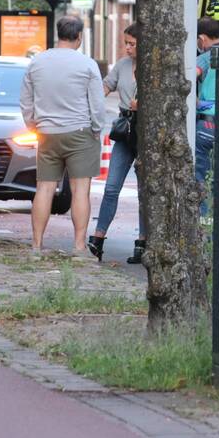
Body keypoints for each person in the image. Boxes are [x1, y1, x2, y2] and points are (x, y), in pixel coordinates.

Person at [19, 15, 105, 256]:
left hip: (47, 133)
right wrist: (96, 128)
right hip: (80, 132)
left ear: (58, 35)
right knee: (80, 190)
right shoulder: (87, 64)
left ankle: (37, 245)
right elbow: (97, 104)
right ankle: (79, 247)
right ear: (79, 37)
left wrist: (32, 125)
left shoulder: (37, 62)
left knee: (44, 188)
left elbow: (26, 99)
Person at [88, 23, 143, 263]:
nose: (127, 48)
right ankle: (98, 239)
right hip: (125, 128)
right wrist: (93, 95)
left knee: (145, 191)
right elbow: (106, 86)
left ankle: (143, 241)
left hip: (147, 131)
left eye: (132, 44)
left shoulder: (155, 68)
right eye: (126, 43)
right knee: (111, 187)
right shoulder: (122, 65)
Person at [195, 17, 219, 219]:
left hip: (206, 124)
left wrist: (197, 101)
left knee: (201, 175)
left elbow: (189, 77)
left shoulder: (206, 57)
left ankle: (204, 219)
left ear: (202, 38)